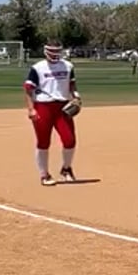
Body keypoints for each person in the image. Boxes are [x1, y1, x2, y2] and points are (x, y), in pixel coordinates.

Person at [24, 40, 81, 186]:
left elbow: (72, 84)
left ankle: (66, 169)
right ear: (45, 52)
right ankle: (44, 174)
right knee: (43, 142)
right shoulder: (37, 68)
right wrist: (31, 109)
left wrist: (76, 96)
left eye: (57, 51)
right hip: (43, 106)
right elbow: (29, 89)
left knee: (69, 140)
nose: (55, 54)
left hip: (62, 106)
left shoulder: (68, 66)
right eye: (51, 51)